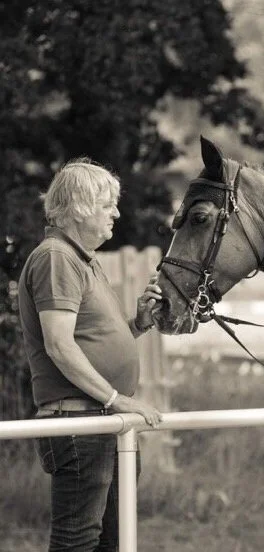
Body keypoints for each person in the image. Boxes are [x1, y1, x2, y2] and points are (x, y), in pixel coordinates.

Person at [18, 158, 164, 551]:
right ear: (80, 208)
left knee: (113, 539)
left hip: (101, 419)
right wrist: (117, 400)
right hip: (80, 420)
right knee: (78, 540)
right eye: (107, 205)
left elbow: (91, 340)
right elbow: (59, 345)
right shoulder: (56, 257)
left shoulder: (82, 259)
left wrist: (139, 324)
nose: (116, 213)